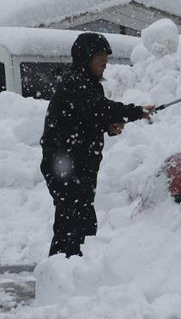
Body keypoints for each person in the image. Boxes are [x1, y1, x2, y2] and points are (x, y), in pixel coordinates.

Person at [40, 32, 154, 257]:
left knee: (75, 224)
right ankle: (65, 273)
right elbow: (99, 109)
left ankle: (67, 272)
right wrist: (135, 112)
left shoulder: (89, 85)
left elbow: (85, 118)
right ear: (85, 57)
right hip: (64, 166)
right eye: (99, 55)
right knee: (76, 224)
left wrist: (105, 127)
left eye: (106, 55)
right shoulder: (75, 83)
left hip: (79, 165)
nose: (105, 61)